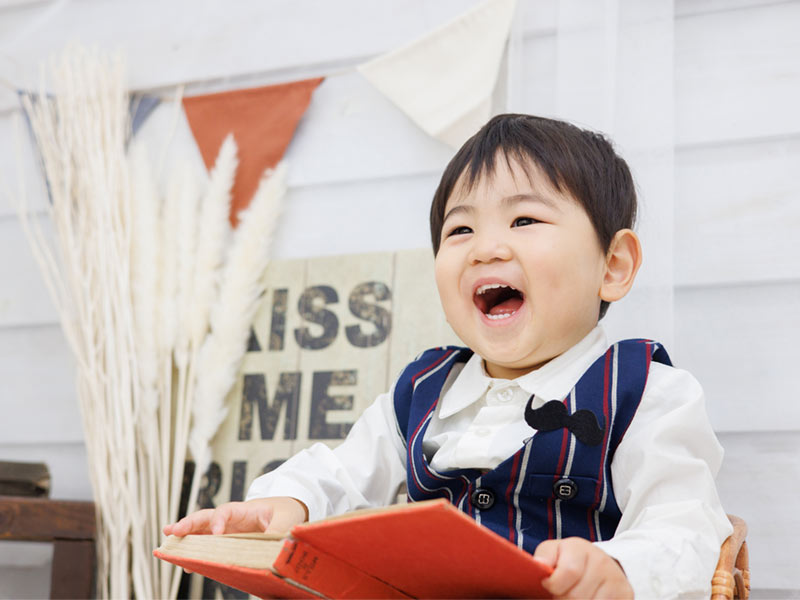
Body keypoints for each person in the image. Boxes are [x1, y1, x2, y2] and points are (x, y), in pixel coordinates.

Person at [164, 114, 732, 599]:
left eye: (525, 220)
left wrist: (619, 570)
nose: (486, 247)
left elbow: (685, 523)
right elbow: (342, 471)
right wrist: (287, 503)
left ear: (613, 266)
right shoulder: (424, 392)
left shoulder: (647, 392)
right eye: (460, 229)